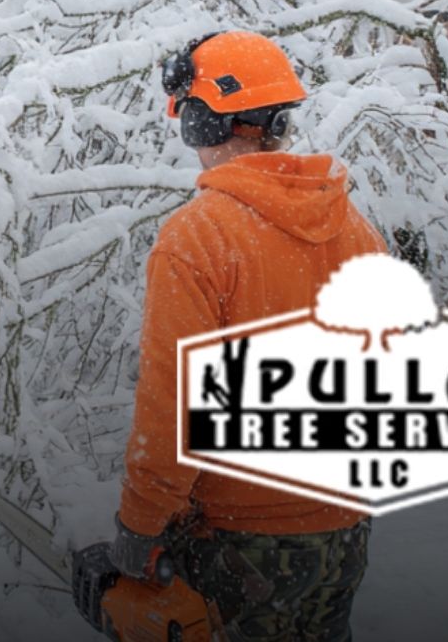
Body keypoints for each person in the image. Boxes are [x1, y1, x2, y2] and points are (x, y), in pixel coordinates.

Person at [109, 31, 386, 641]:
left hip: (241, 539)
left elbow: (173, 405)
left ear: (205, 124)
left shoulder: (199, 236)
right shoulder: (356, 229)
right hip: (344, 532)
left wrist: (141, 524)